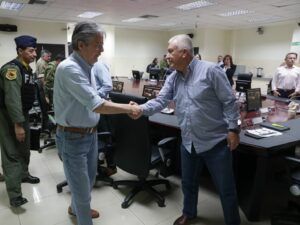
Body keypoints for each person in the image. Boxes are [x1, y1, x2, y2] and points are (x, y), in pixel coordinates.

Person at [130, 34, 241, 225]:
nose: (167, 56)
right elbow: (160, 101)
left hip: (216, 143)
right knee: (188, 183)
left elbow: (229, 101)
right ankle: (189, 213)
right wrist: (140, 109)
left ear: (185, 53)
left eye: (170, 51)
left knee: (226, 189)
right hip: (189, 142)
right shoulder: (173, 77)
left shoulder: (211, 71)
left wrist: (233, 129)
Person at [54, 21, 141, 225]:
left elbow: (95, 97)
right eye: (98, 45)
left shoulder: (89, 66)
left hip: (89, 134)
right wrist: (129, 109)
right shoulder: (70, 69)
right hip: (72, 136)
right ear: (81, 44)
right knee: (83, 190)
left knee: (89, 180)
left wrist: (120, 105)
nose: (101, 50)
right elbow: (96, 104)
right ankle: (81, 212)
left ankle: (75, 208)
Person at [0, 35, 40, 207]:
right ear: (20, 51)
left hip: (21, 114)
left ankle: (24, 174)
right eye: (31, 51)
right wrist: (18, 125)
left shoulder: (26, 69)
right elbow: (12, 99)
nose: (34, 54)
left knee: (24, 148)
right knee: (12, 153)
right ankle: (15, 194)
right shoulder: (12, 69)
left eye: (35, 51)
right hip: (9, 115)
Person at [92, 61, 117, 177]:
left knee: (106, 137)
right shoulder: (87, 66)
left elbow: (108, 85)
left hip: (101, 106)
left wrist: (94, 97)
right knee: (99, 136)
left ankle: (112, 166)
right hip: (94, 107)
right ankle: (98, 162)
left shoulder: (98, 65)